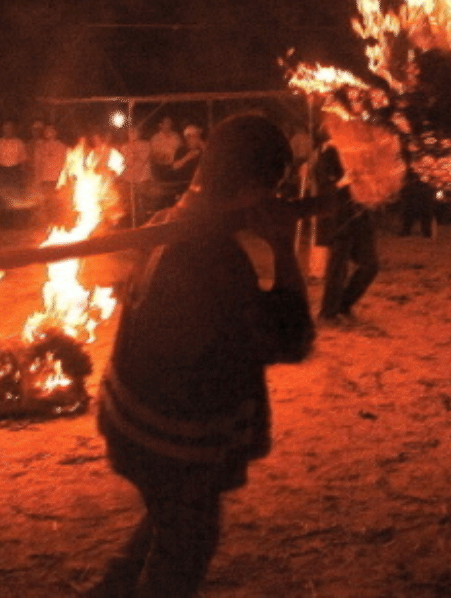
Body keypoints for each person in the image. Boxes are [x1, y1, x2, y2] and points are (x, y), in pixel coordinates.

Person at [92, 114, 315, 597]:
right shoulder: (213, 259)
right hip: (171, 440)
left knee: (165, 518)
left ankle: (108, 591)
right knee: (185, 545)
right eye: (271, 187)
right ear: (254, 186)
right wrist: (281, 245)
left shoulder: (166, 222)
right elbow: (292, 338)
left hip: (132, 420)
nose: (275, 198)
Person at [313, 133, 379, 322]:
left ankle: (343, 304)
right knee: (337, 270)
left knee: (370, 265)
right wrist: (344, 181)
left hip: (360, 216)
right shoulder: (328, 154)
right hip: (339, 219)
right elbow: (324, 186)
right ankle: (328, 312)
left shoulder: (358, 153)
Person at [0, 120, 29, 194]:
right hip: (2, 171)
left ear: (13, 130)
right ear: (3, 130)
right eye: (6, 128)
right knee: (2, 193)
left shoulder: (19, 143)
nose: (8, 130)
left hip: (15, 171)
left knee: (15, 192)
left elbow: (23, 160)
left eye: (9, 128)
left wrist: (23, 176)